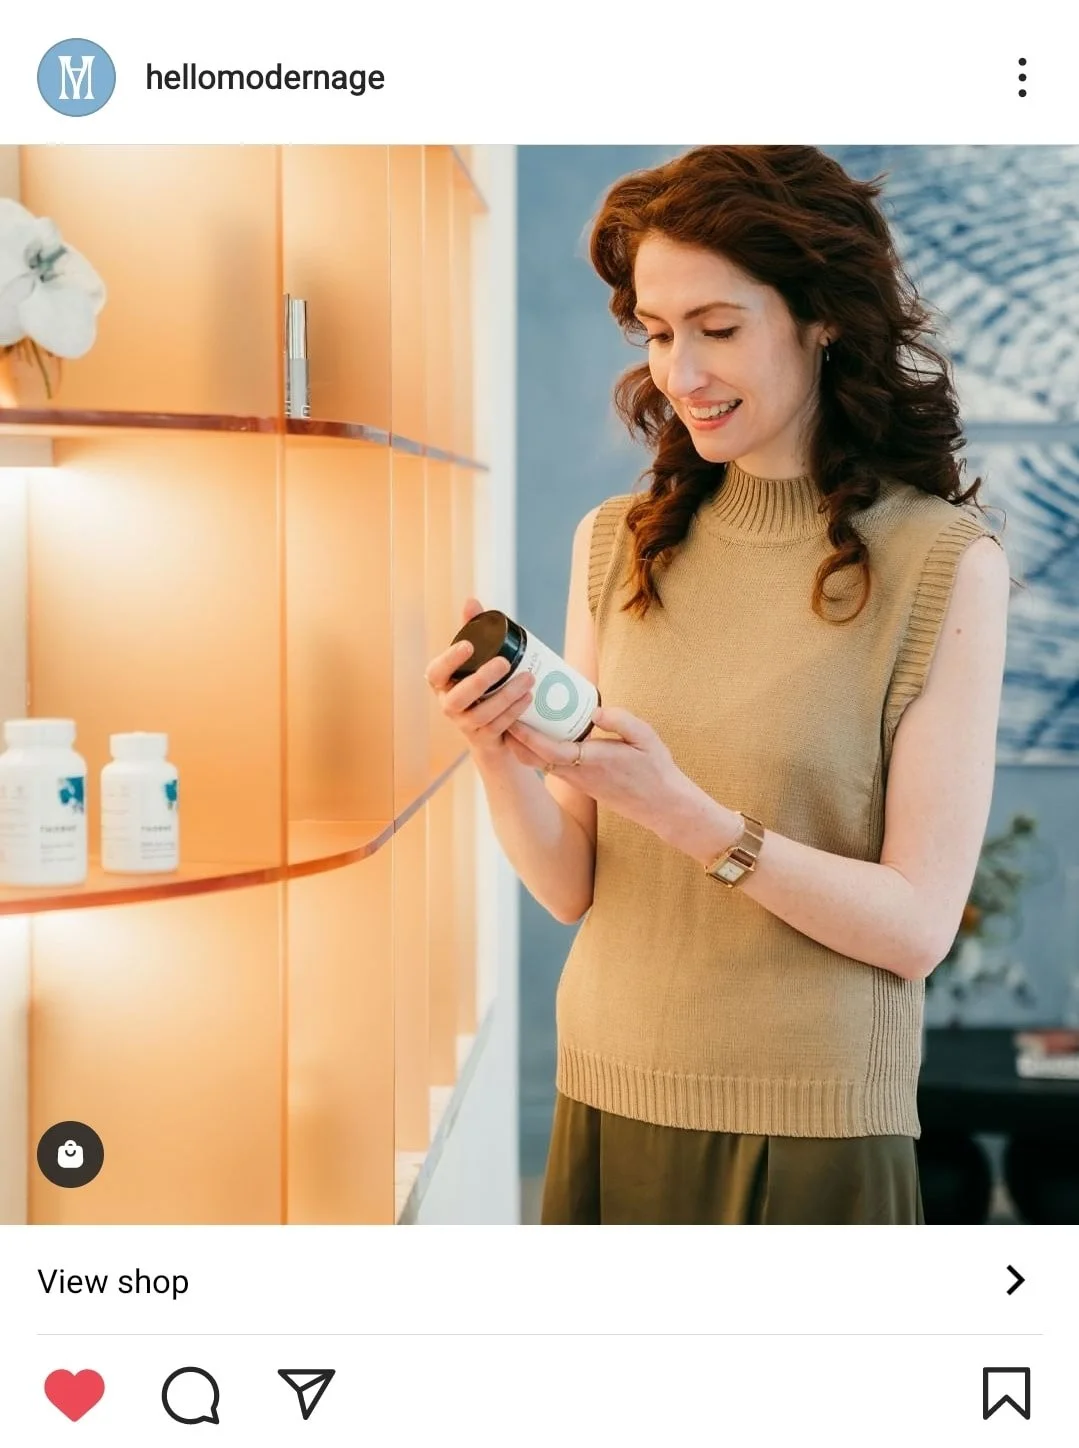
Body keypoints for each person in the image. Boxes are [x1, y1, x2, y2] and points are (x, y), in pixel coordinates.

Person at [424, 146, 1012, 1225]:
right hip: (604, 1087)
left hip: (812, 1127)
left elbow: (914, 922)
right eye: (655, 331)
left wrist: (685, 815)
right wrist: (492, 751)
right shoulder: (614, 544)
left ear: (820, 317)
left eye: (718, 327)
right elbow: (572, 885)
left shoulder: (940, 563)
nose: (678, 371)